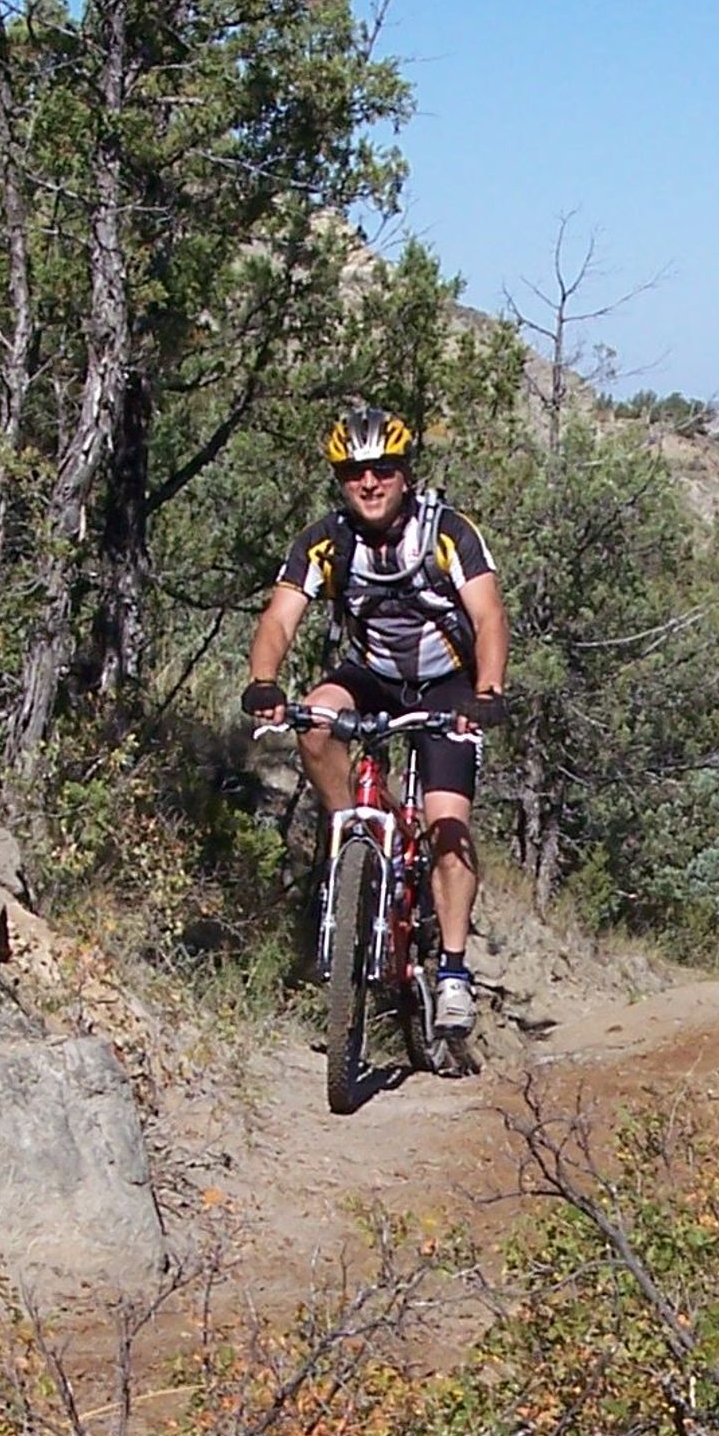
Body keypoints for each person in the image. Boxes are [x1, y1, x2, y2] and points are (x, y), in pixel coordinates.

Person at [241, 403, 509, 1032]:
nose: (369, 483)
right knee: (314, 721)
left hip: (447, 685)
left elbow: (490, 616)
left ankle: (451, 970)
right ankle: (352, 839)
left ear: (405, 473)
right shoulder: (324, 541)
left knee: (448, 827)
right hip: (372, 677)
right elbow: (280, 617)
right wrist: (263, 683)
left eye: (383, 469)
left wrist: (487, 692)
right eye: (353, 472)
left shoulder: (448, 533)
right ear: (339, 479)